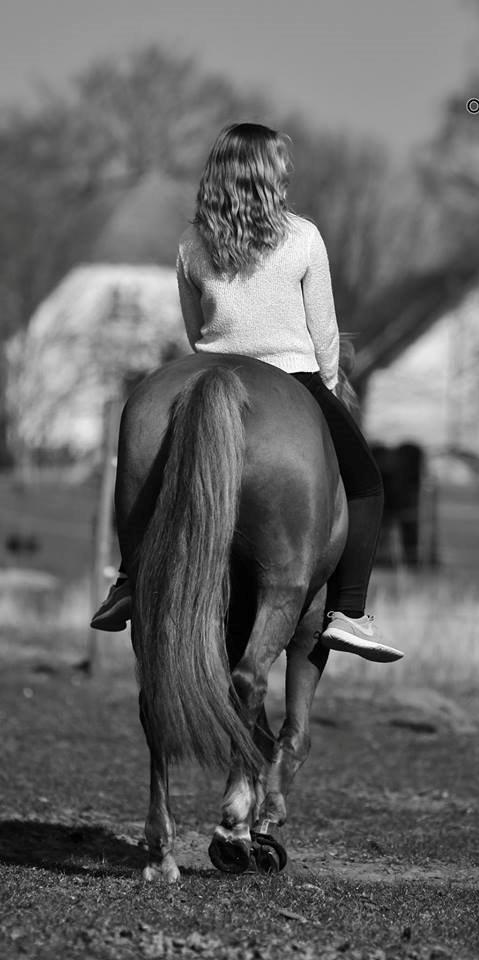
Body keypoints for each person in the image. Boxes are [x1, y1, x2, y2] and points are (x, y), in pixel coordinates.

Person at [91, 122, 403, 663]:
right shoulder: (303, 237)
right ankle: (349, 612)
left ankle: (127, 580)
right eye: (281, 164)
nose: (288, 172)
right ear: (267, 173)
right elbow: (324, 331)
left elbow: (195, 331)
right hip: (293, 374)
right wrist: (326, 385)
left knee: (139, 476)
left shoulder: (191, 243)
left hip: (207, 368)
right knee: (368, 483)